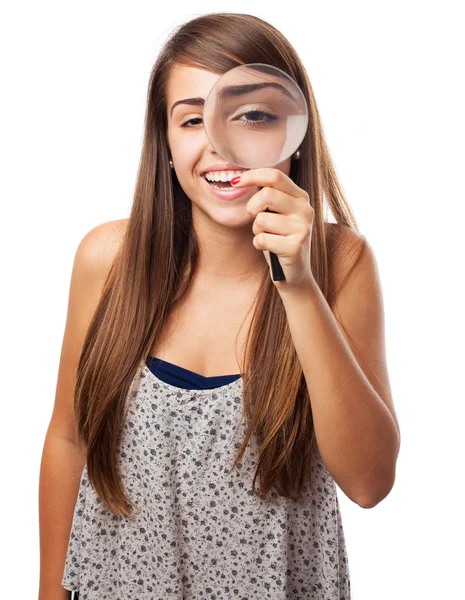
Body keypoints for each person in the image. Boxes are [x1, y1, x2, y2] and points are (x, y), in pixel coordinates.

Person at [38, 11, 401, 600]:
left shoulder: (341, 263)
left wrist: (299, 285)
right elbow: (68, 441)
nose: (219, 144)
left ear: (294, 128)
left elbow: (368, 482)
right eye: (191, 119)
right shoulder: (107, 259)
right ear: (165, 139)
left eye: (252, 116)